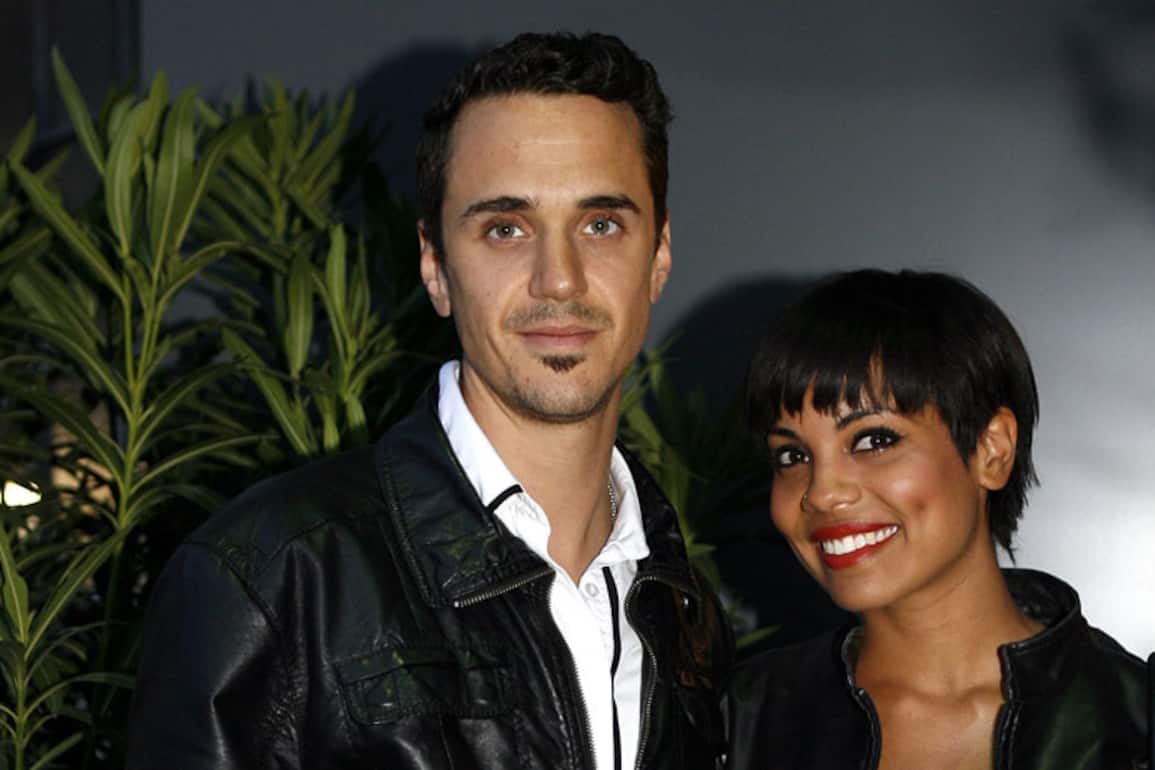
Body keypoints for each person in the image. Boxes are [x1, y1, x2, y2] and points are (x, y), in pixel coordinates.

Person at [127, 32, 731, 770]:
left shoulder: (682, 609)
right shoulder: (272, 579)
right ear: (436, 267)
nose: (560, 278)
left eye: (600, 224)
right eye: (505, 229)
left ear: (658, 256)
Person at [728, 269, 1148, 770]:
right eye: (792, 456)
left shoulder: (1134, 728)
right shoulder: (736, 726)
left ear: (992, 451)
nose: (822, 492)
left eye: (874, 440)